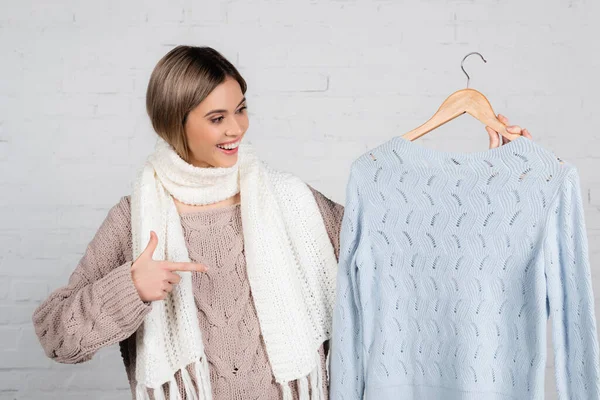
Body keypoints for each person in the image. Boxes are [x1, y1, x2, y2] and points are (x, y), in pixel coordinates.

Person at [32, 45, 532, 400]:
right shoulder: (135, 219)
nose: (236, 129)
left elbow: (397, 251)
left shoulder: (291, 200)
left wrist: (492, 179)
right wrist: (132, 288)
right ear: (174, 122)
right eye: (216, 117)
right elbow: (56, 336)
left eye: (242, 109)